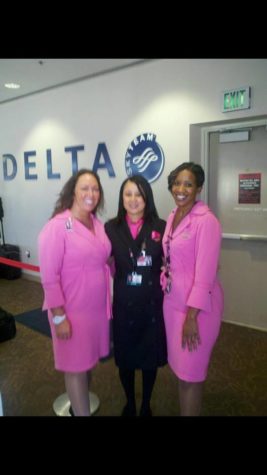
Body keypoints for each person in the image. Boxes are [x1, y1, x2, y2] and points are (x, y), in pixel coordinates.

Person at [38, 169, 111, 416]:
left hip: (95, 311)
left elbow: (103, 259)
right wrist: (59, 318)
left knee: (87, 362)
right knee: (75, 367)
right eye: (85, 188)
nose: (91, 194)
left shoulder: (97, 225)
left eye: (95, 189)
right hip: (70, 311)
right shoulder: (57, 227)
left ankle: (79, 408)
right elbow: (49, 278)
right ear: (73, 192)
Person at [161, 162, 224, 416]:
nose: (181, 189)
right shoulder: (172, 216)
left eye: (188, 184)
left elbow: (205, 277)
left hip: (197, 311)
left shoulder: (207, 222)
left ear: (199, 188)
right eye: (177, 183)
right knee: (180, 371)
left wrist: (191, 317)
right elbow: (169, 260)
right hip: (172, 305)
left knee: (191, 376)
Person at [105, 175, 167, 417]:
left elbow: (171, 259)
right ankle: (130, 402)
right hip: (124, 304)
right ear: (122, 198)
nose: (133, 200)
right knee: (126, 358)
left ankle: (146, 404)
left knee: (149, 359)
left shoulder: (160, 227)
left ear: (147, 198)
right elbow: (100, 257)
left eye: (139, 194)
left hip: (152, 304)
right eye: (128, 194)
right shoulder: (111, 227)